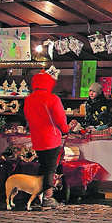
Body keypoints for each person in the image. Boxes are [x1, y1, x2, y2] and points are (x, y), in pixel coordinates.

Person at [24, 70, 70, 209]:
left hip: (37, 138)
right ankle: (48, 197)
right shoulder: (52, 99)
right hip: (51, 137)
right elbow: (60, 119)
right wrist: (65, 130)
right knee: (50, 167)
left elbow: (27, 118)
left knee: (42, 166)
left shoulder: (29, 99)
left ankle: (38, 195)